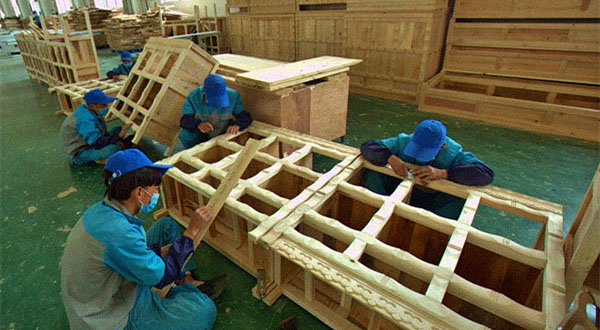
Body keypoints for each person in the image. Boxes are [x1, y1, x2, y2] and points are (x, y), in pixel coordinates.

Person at [60, 149, 226, 330]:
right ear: (139, 193)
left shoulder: (102, 210)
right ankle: (182, 293)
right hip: (109, 313)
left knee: (166, 225)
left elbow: (121, 250)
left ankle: (184, 281)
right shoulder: (119, 233)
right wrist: (191, 232)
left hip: (105, 283)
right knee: (203, 311)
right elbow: (160, 278)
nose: (156, 192)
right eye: (155, 187)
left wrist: (156, 252)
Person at [360, 119, 494, 219]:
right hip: (398, 187)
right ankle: (376, 213)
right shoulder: (404, 141)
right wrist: (390, 158)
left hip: (432, 199)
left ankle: (429, 231)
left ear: (443, 146)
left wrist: (444, 173)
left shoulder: (452, 153)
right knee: (374, 174)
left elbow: (486, 174)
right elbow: (368, 147)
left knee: (459, 200)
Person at [178, 74, 252, 149]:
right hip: (202, 134)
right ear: (204, 91)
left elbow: (244, 116)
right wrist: (199, 125)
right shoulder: (194, 96)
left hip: (223, 132)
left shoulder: (233, 95)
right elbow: (185, 120)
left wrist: (237, 125)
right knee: (185, 135)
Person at [60, 88, 132, 165]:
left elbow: (99, 113)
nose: (106, 105)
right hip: (80, 151)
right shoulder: (84, 119)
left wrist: (114, 108)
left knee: (118, 129)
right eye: (103, 104)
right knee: (113, 149)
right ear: (93, 105)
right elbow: (96, 143)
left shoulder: (88, 108)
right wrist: (118, 137)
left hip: (89, 141)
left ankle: (99, 155)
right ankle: (95, 159)